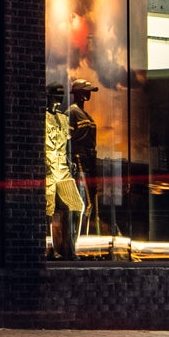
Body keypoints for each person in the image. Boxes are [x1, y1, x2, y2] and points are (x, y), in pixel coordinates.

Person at [43, 83, 84, 258]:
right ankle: (48, 249)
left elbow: (67, 143)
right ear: (48, 95)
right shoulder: (42, 118)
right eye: (56, 93)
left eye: (61, 94)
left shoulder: (63, 118)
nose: (59, 97)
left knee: (76, 205)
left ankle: (70, 248)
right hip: (48, 166)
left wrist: (70, 160)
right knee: (48, 210)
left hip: (62, 167)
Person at [68, 79, 100, 240]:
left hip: (89, 162)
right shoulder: (72, 112)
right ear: (79, 93)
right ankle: (76, 243)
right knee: (81, 204)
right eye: (85, 91)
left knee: (90, 204)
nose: (88, 94)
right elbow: (68, 140)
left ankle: (83, 242)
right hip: (79, 161)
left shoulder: (85, 114)